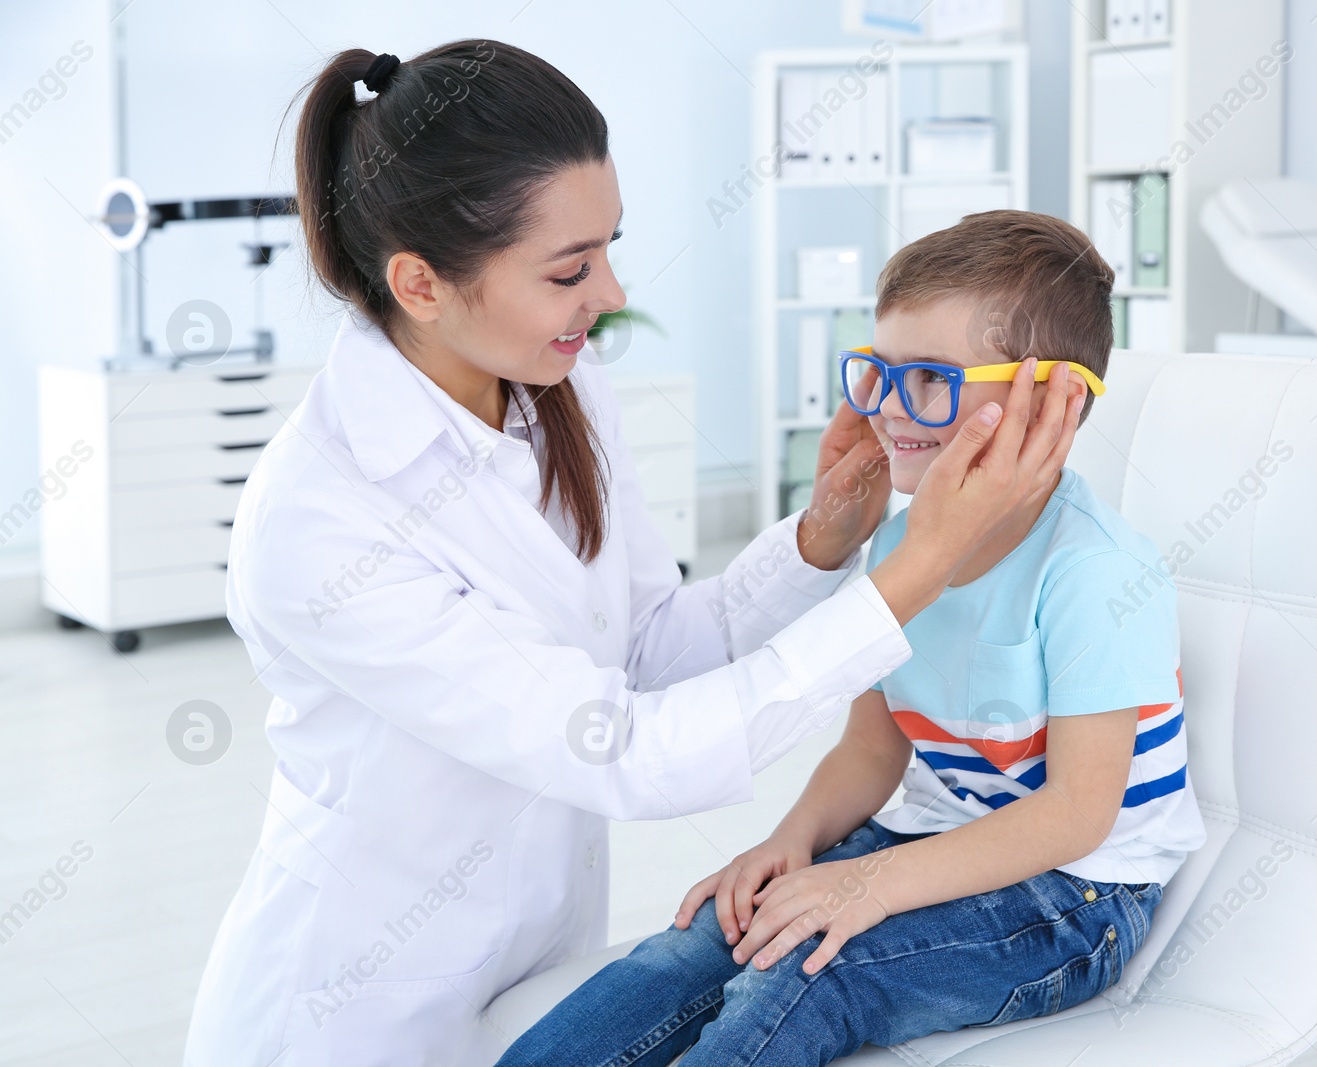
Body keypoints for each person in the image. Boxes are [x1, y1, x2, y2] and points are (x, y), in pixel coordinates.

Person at [183, 43, 1081, 1067]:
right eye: (568, 270)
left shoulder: (555, 381)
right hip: (357, 1007)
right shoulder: (320, 521)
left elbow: (645, 645)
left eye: (607, 247)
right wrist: (918, 568)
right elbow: (624, 744)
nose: (607, 293)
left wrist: (823, 537)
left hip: (536, 966)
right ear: (420, 284)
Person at [495, 211, 1206, 1067]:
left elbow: (1076, 816)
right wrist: (789, 843)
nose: (889, 410)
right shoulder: (906, 545)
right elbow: (873, 749)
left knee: (809, 972)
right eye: (877, 372)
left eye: (933, 378)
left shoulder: (1094, 572)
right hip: (937, 839)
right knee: (701, 941)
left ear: (1051, 399)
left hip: (1079, 893)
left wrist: (867, 882)